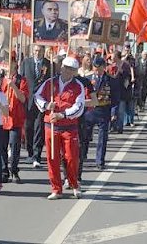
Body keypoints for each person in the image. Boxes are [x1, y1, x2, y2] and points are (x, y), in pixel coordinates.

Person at [35, 56, 86, 200]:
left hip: (69, 127)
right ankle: (56, 189)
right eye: (66, 68)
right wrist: (46, 106)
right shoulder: (49, 82)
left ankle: (74, 184)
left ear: (75, 72)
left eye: (71, 70)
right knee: (52, 158)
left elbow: (79, 107)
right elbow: (37, 96)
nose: (68, 71)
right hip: (51, 125)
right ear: (61, 67)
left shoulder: (78, 86)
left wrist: (62, 115)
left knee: (71, 158)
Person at [82, 56, 120, 172]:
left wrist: (114, 112)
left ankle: (100, 161)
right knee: (85, 136)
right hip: (89, 111)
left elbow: (115, 98)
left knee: (102, 138)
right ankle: (83, 156)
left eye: (99, 67)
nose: (96, 70)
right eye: (95, 67)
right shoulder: (87, 78)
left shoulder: (111, 80)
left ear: (104, 67)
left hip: (104, 110)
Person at [20, 45, 51, 168]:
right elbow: (22, 79)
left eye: (40, 51)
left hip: (42, 100)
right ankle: (30, 152)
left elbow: (50, 80)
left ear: (43, 52)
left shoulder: (48, 64)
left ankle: (37, 155)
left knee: (39, 127)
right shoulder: (26, 62)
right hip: (28, 100)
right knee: (28, 127)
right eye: (36, 50)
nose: (37, 53)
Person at [0, 59, 29, 184]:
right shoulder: (0, 79)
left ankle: (14, 170)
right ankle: (4, 170)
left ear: (15, 66)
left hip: (15, 118)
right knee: (1, 146)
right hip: (2, 117)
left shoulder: (21, 80)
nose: (7, 66)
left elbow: (23, 98)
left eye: (9, 64)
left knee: (14, 145)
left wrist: (13, 86)